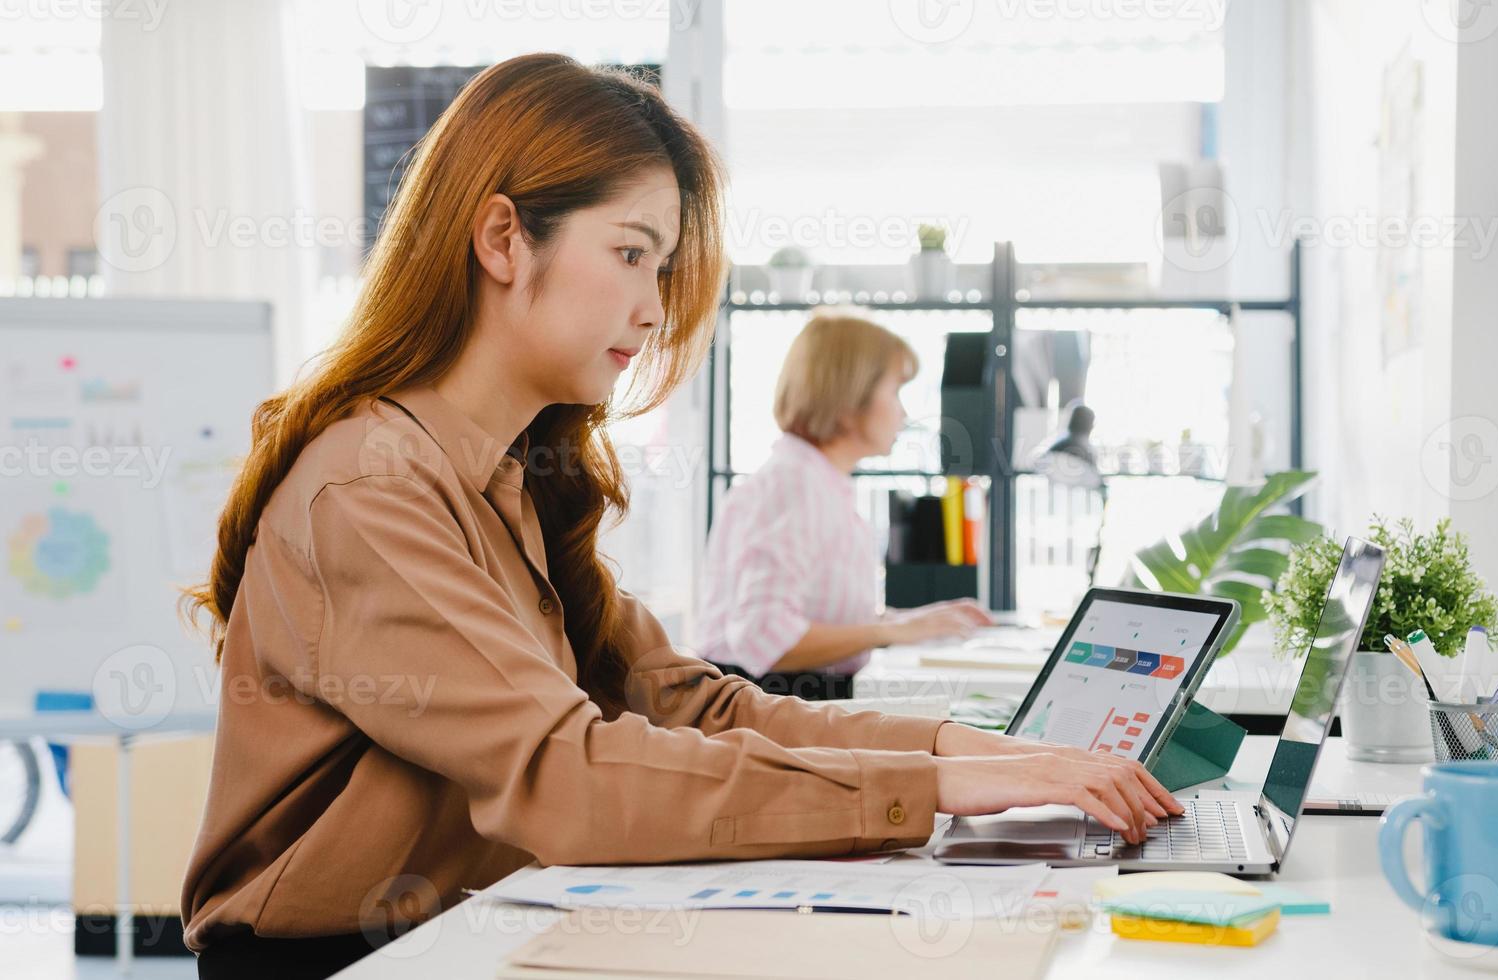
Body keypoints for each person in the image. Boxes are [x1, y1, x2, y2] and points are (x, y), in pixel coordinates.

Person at [178, 54, 1179, 980]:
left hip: (468, 924)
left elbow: (699, 705)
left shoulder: (506, 480)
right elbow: (566, 773)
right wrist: (930, 789)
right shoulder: (372, 488)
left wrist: (980, 755)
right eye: (630, 254)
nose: (655, 309)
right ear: (499, 238)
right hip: (338, 958)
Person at [697, 311, 992, 699]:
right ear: (849, 398)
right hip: (768, 703)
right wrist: (891, 632)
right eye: (895, 392)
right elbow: (765, 636)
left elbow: (815, 616)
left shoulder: (818, 481)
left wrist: (914, 621)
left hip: (791, 698)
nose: (903, 412)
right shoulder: (795, 486)